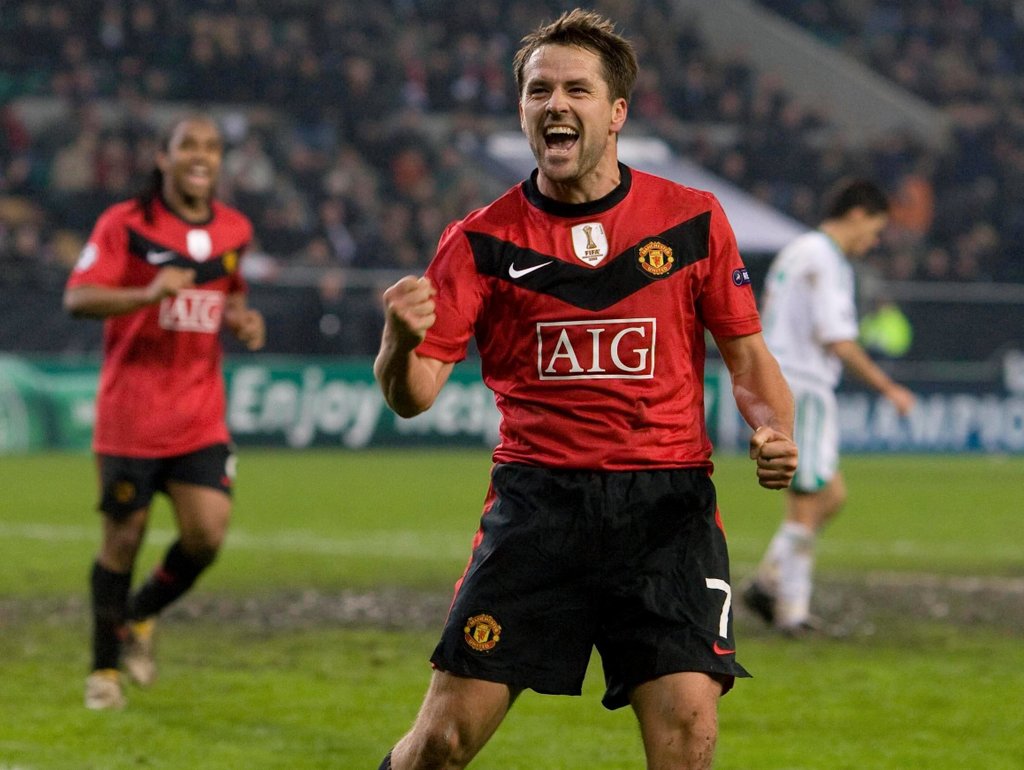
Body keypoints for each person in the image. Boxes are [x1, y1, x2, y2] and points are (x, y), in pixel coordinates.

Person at [372, 10, 798, 769]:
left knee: (689, 736)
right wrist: (399, 342)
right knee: (443, 742)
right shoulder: (480, 241)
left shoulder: (692, 220)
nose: (555, 104)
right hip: (540, 509)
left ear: (617, 111)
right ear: (522, 110)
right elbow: (414, 395)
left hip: (667, 510)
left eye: (576, 89)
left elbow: (747, 357)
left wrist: (774, 430)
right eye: (539, 91)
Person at [63, 114, 265, 710]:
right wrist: (145, 294)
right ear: (164, 157)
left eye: (212, 147)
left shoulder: (234, 230)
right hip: (131, 415)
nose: (202, 156)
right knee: (122, 539)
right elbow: (77, 297)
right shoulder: (125, 224)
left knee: (206, 536)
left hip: (199, 414)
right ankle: (103, 671)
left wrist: (241, 318)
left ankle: (139, 615)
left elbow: (230, 293)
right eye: (189, 146)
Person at [742, 179, 916, 636]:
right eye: (875, 230)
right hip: (803, 383)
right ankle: (792, 611)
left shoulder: (800, 250)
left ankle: (767, 581)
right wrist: (888, 387)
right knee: (808, 498)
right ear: (857, 214)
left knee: (830, 494)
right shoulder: (825, 257)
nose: (873, 242)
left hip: (790, 378)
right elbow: (837, 339)